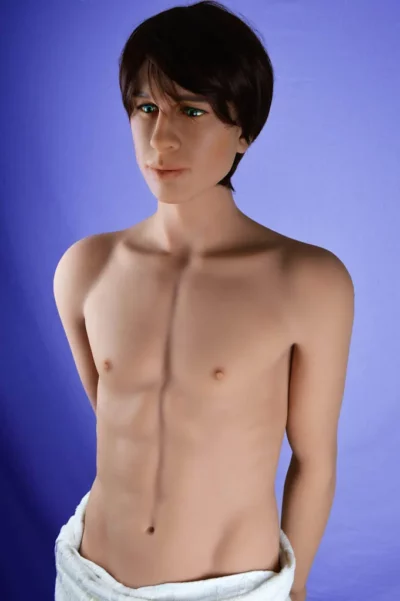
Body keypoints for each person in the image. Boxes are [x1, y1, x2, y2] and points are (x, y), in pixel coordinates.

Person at [53, 2, 355, 600]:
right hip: (88, 579)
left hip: (235, 589)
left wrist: (293, 592)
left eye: (192, 110)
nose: (160, 138)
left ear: (244, 131)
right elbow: (120, 424)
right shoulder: (86, 269)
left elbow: (315, 460)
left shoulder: (307, 281)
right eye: (146, 107)